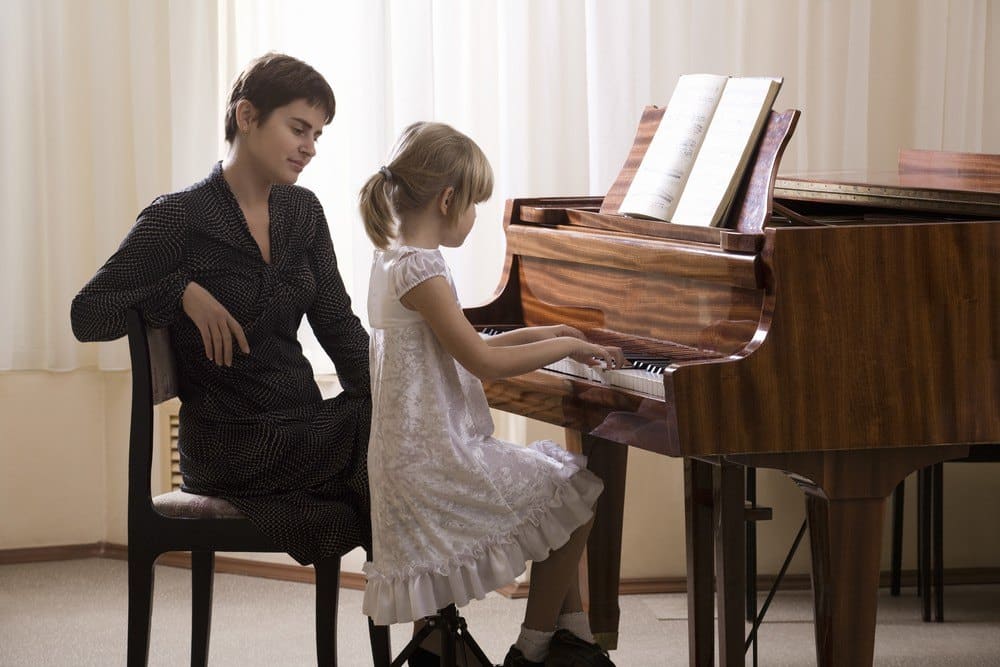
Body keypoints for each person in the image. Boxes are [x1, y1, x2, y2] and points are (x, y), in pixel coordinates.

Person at [71, 53, 373, 567]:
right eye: (299, 129)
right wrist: (179, 290)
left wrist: (392, 390)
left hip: (302, 426)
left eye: (318, 135)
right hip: (229, 444)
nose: (310, 148)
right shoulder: (177, 218)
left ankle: (424, 616)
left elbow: (339, 328)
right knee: (389, 442)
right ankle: (431, 622)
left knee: (395, 421)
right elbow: (88, 314)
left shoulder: (304, 213)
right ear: (247, 116)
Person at [358, 121, 621, 667]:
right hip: (435, 464)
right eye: (475, 204)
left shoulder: (395, 257)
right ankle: (534, 649)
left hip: (416, 457)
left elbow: (469, 339)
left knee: (562, 494)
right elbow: (481, 361)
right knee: (575, 494)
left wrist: (554, 335)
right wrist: (564, 344)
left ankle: (570, 643)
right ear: (449, 199)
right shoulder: (420, 267)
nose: (476, 216)